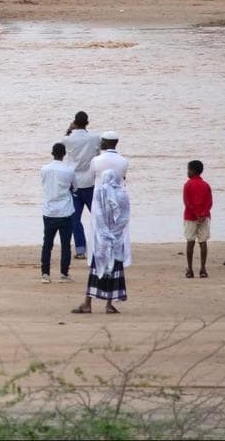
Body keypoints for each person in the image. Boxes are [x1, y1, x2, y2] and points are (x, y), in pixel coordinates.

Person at [72, 170, 130, 315]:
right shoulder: (122, 194)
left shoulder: (99, 193)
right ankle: (109, 305)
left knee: (97, 270)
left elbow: (97, 216)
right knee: (114, 271)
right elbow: (124, 218)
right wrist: (114, 234)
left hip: (102, 239)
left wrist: (104, 234)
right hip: (116, 239)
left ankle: (87, 304)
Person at [60, 112, 101, 259]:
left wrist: (69, 129)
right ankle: (99, 246)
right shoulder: (96, 138)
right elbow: (98, 153)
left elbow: (60, 147)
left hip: (74, 183)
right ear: (87, 123)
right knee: (97, 216)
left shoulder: (68, 139)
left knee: (74, 218)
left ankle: (80, 249)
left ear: (75, 123)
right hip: (91, 182)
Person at [40, 142, 75, 283]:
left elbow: (44, 184)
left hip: (49, 211)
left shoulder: (44, 169)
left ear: (52, 153)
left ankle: (45, 274)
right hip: (65, 211)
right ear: (64, 154)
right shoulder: (69, 170)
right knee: (65, 244)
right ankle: (64, 274)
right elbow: (75, 187)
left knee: (47, 244)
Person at [183, 159, 212, 279]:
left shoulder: (188, 185)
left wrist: (195, 214)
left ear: (193, 171)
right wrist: (203, 214)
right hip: (204, 217)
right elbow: (209, 202)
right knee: (203, 242)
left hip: (190, 217)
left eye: (188, 170)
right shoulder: (206, 185)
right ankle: (203, 269)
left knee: (190, 241)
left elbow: (187, 202)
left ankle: (190, 269)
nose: (187, 172)